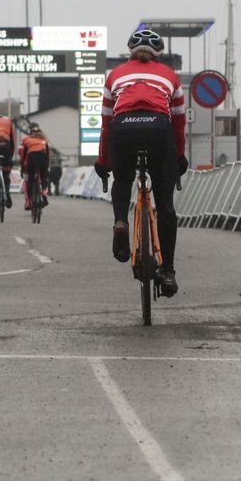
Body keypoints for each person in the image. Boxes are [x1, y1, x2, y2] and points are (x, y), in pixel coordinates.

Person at [94, 28, 188, 297]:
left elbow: (106, 124)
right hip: (159, 129)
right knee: (166, 206)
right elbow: (179, 124)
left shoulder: (114, 75)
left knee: (123, 179)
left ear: (130, 52)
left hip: (124, 128)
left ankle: (121, 222)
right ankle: (168, 272)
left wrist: (104, 160)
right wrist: (178, 157)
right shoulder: (170, 76)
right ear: (158, 53)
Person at [18, 124, 50, 211]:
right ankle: (44, 192)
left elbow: (21, 153)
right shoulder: (44, 141)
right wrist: (47, 167)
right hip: (43, 160)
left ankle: (29, 201)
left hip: (30, 160)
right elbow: (47, 155)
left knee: (29, 181)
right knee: (44, 176)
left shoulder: (27, 140)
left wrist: (22, 167)